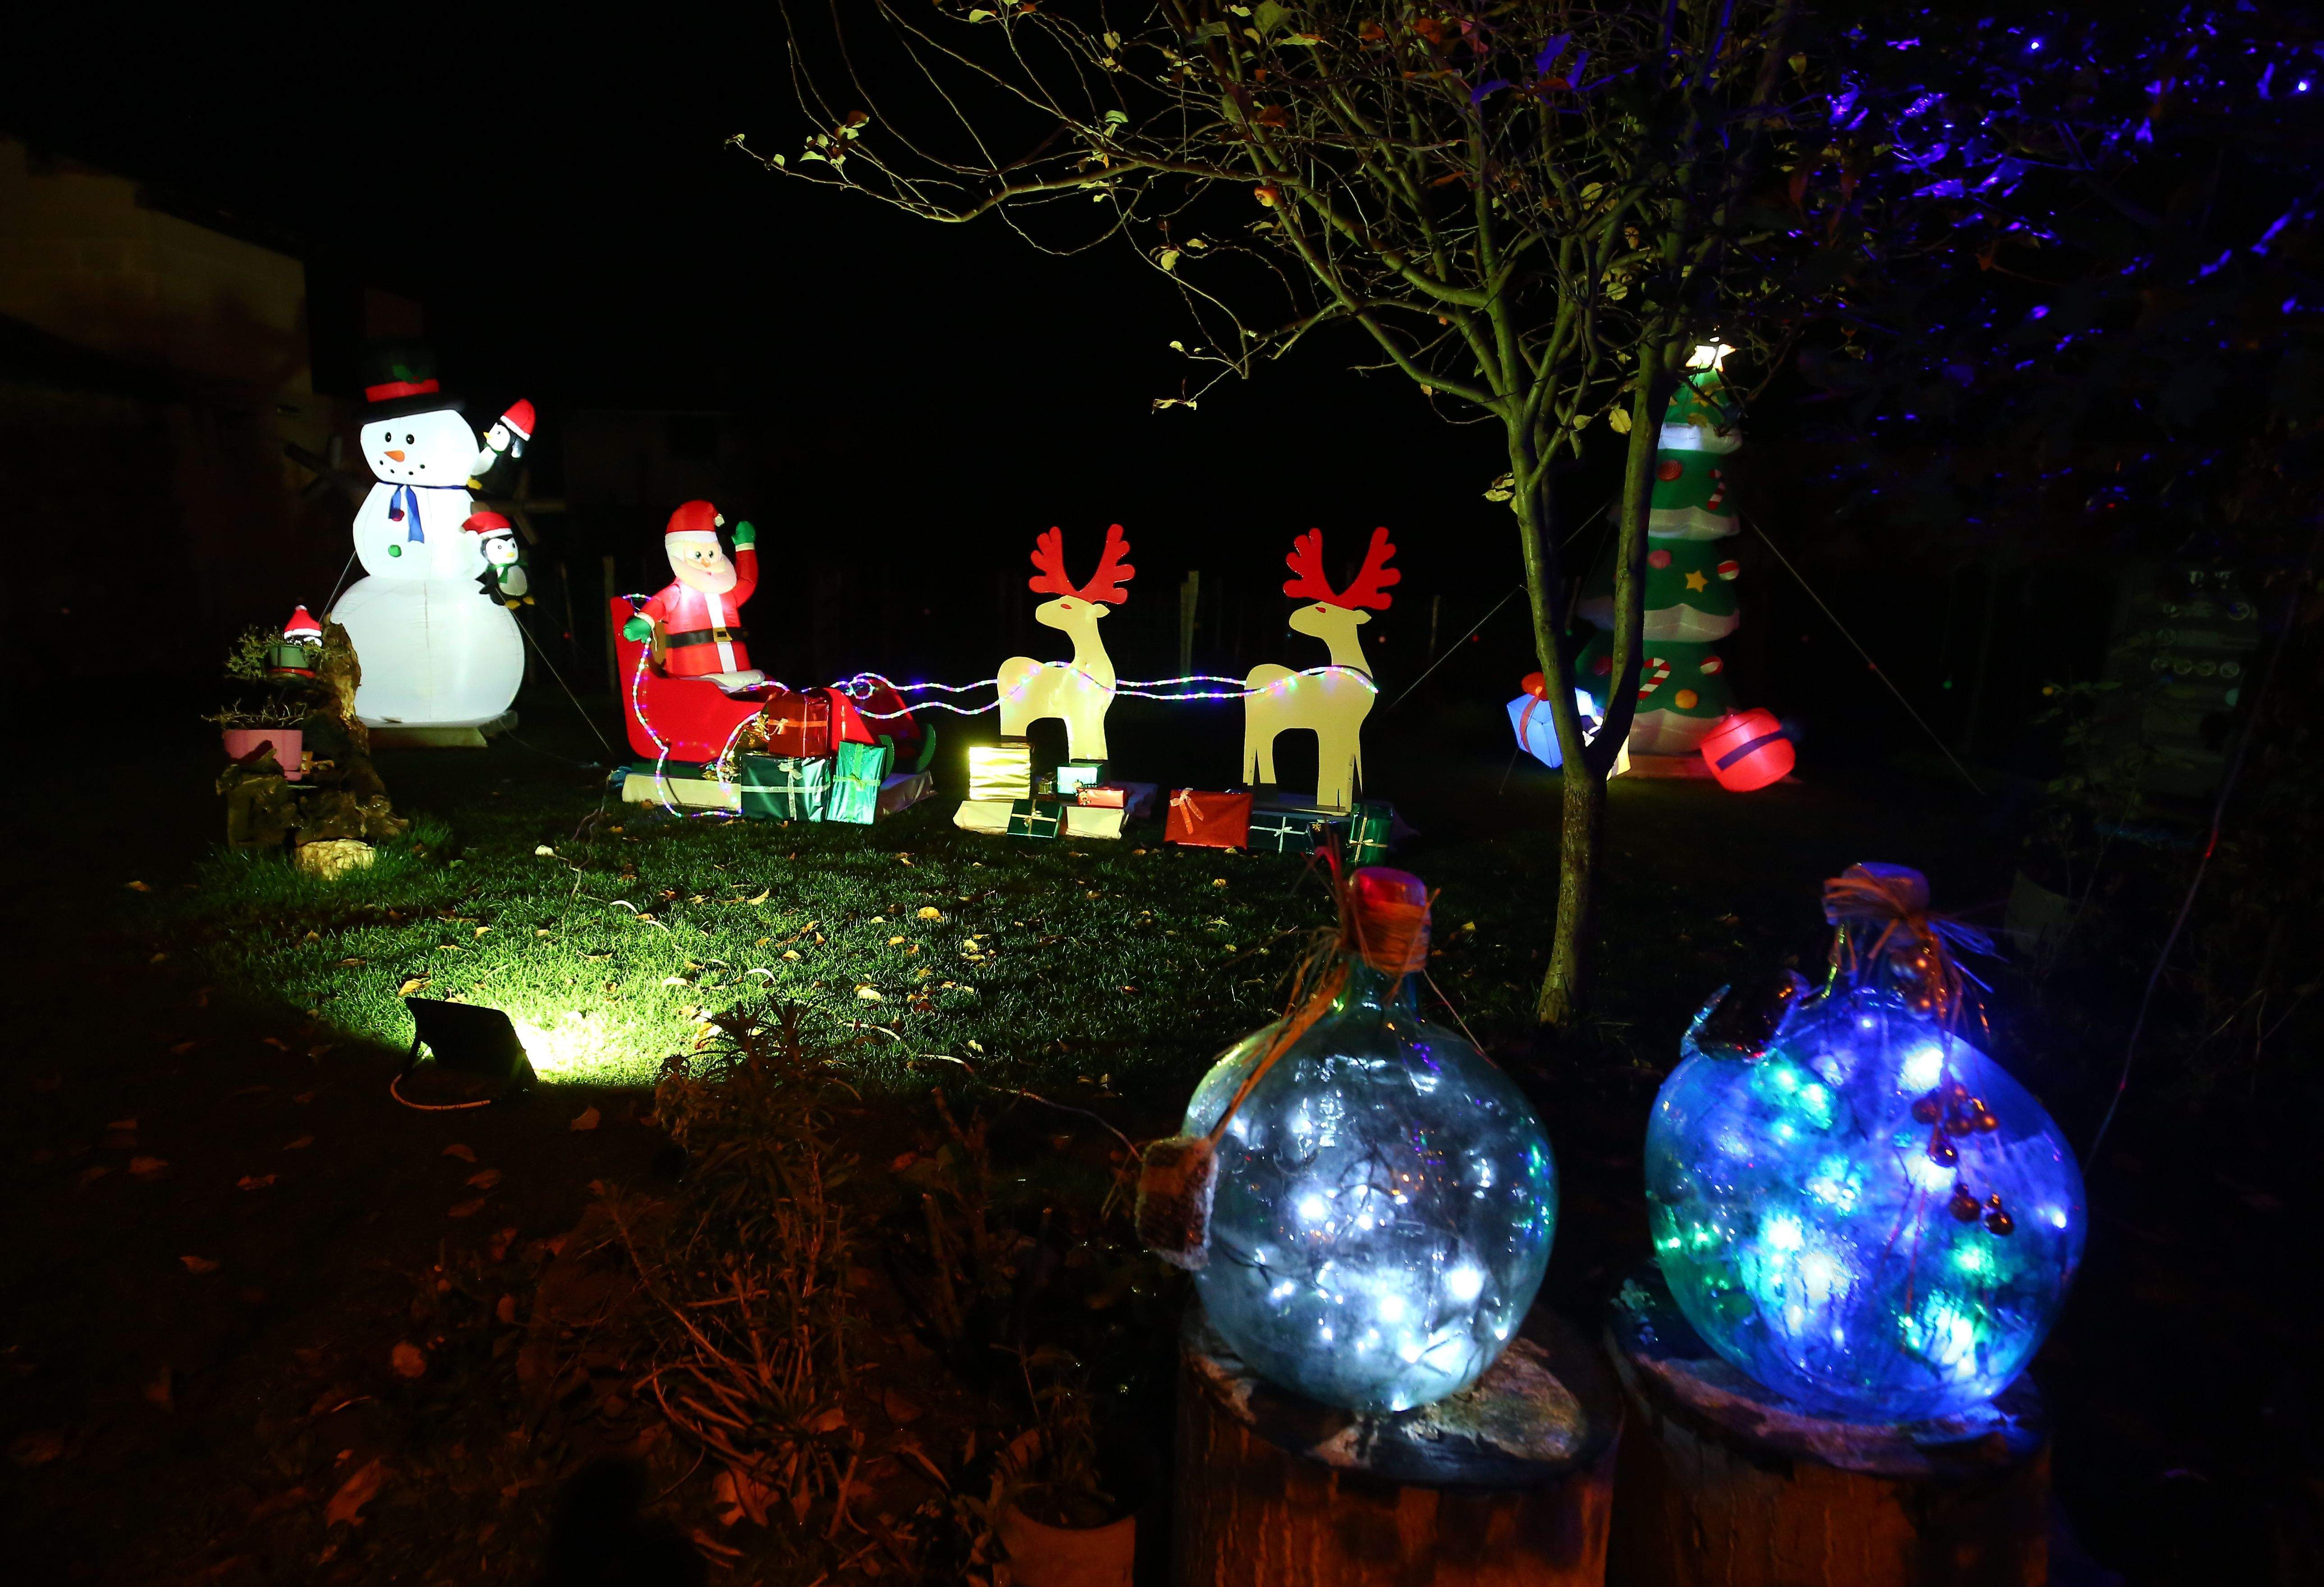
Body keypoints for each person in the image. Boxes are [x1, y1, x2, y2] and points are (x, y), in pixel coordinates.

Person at [622, 500, 763, 689]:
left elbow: (748, 582)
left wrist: (746, 548)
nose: (706, 562)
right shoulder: (679, 592)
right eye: (698, 555)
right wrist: (645, 621)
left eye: (712, 554)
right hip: (694, 666)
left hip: (739, 668)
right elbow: (661, 604)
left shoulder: (726, 591)